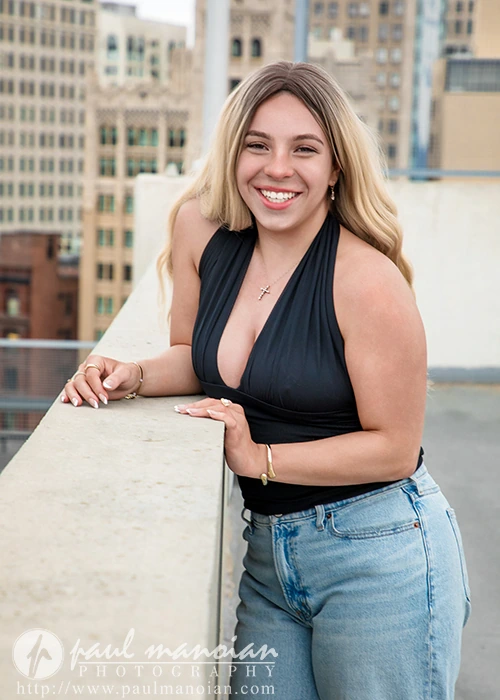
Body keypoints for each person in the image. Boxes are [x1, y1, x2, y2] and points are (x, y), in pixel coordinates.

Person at [62, 61, 471, 699]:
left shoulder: (367, 282)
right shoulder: (202, 229)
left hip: (380, 556)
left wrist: (259, 457)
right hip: (268, 558)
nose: (276, 168)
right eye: (258, 144)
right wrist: (133, 374)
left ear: (336, 166)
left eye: (304, 149)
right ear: (233, 153)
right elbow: (197, 356)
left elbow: (394, 446)